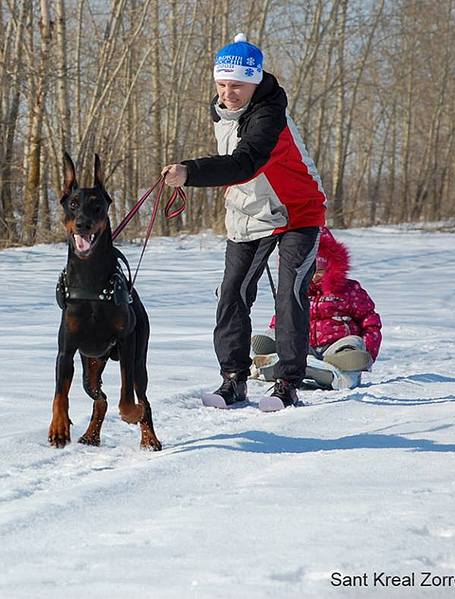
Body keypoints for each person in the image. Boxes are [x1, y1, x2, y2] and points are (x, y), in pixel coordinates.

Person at [162, 33, 326, 409]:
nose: (227, 93)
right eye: (221, 84)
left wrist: (191, 172)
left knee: (289, 296)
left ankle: (287, 382)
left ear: (254, 81)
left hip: (296, 212)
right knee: (232, 293)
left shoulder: (270, 116)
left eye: (236, 86)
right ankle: (233, 379)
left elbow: (245, 162)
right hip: (247, 212)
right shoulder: (222, 110)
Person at [251, 227, 382, 390]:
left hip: (336, 346)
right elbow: (282, 318)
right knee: (282, 333)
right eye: (309, 271)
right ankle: (280, 357)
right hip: (304, 345)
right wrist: (275, 332)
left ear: (332, 268)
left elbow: (370, 323)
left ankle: (340, 364)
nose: (313, 276)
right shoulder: (295, 291)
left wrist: (368, 351)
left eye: (319, 271)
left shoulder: (349, 290)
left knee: (352, 343)